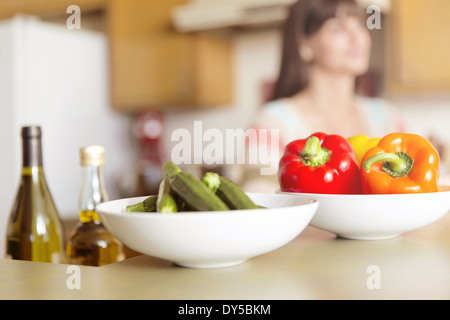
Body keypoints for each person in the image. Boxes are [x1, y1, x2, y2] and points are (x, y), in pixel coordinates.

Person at [243, 0, 404, 192]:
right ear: (305, 45)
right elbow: (259, 197)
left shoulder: (387, 116)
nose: (356, 38)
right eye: (337, 28)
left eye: (359, 25)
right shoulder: (271, 122)